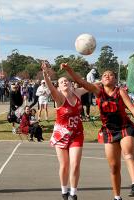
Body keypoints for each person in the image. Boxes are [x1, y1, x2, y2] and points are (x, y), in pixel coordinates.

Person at [61, 63, 134, 200]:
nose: (107, 76)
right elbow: (81, 82)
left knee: (128, 154)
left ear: (115, 80)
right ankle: (117, 197)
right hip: (109, 130)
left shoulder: (120, 91)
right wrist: (69, 70)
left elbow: (131, 106)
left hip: (124, 127)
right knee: (114, 167)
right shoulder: (98, 91)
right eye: (104, 75)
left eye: (110, 75)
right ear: (102, 80)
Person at [41, 61, 88, 200]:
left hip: (77, 134)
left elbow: (88, 86)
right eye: (61, 82)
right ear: (59, 87)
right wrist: (45, 74)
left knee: (75, 164)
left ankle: (73, 193)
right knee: (65, 165)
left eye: (66, 80)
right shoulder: (59, 98)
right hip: (61, 134)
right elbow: (50, 87)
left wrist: (101, 82)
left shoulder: (77, 93)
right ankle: (64, 190)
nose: (64, 82)